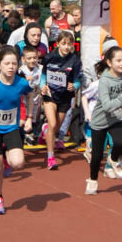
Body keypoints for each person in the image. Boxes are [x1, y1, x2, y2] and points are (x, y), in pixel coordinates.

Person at [0, 47, 35, 215]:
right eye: (7, 63)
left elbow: (30, 95)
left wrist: (30, 117)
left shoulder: (21, 83)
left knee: (18, 163)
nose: (11, 67)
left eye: (14, 64)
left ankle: (7, 156)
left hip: (11, 127)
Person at [86, 46, 122, 194]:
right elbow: (107, 106)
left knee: (120, 143)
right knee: (97, 155)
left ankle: (113, 160)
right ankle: (93, 180)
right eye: (118, 61)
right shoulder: (104, 81)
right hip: (101, 119)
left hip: (118, 117)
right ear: (109, 62)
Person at [42, 30, 82, 169]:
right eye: (63, 44)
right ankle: (51, 158)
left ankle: (46, 130)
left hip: (65, 97)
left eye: (69, 44)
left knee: (56, 128)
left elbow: (77, 80)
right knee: (53, 124)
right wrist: (43, 86)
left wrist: (74, 86)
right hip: (50, 95)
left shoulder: (75, 60)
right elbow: (43, 75)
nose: (66, 47)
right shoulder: (49, 57)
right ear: (58, 44)